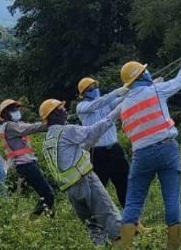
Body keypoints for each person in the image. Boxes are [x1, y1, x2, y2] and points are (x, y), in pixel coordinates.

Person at [117, 49, 181, 250]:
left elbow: (128, 130)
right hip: (167, 149)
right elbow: (180, 80)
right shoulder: (156, 90)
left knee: (133, 202)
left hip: (141, 155)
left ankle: (125, 247)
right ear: (142, 75)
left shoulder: (124, 106)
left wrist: (154, 85)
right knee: (171, 198)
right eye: (145, 71)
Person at [40, 98, 123, 246]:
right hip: (86, 181)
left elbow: (80, 147)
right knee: (111, 219)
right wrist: (116, 112)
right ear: (53, 115)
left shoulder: (47, 140)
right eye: (61, 109)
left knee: (94, 228)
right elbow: (93, 131)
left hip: (70, 191)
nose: (65, 110)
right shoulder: (67, 130)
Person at [75, 77, 130, 207]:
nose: (95, 90)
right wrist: (117, 91)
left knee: (125, 184)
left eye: (95, 87)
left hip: (115, 149)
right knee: (100, 189)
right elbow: (98, 103)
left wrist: (132, 88)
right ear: (83, 94)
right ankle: (100, 222)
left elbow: (121, 99)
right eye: (91, 89)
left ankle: (132, 221)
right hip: (97, 153)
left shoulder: (106, 104)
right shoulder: (82, 106)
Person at [0, 98, 55, 216]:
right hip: (24, 165)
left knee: (44, 194)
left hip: (27, 163)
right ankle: (36, 219)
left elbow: (32, 126)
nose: (16, 111)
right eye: (12, 109)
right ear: (5, 114)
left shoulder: (17, 125)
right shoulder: (10, 126)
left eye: (16, 108)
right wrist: (52, 123)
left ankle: (41, 220)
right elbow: (32, 128)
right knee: (48, 194)